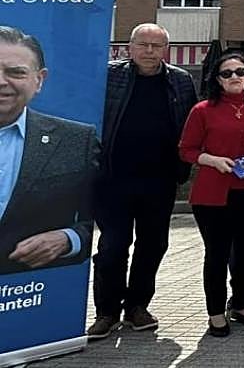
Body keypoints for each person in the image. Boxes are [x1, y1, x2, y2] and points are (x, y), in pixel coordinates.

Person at [90, 23, 197, 339]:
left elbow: (189, 125)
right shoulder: (109, 76)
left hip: (160, 179)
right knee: (112, 246)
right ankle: (106, 311)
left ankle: (137, 306)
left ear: (166, 49)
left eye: (156, 45)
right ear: (130, 47)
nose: (149, 51)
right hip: (113, 178)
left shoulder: (180, 80)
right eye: (143, 44)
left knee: (153, 245)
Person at [178, 51, 244, 337]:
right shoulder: (203, 110)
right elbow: (186, 150)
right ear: (217, 79)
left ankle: (242, 303)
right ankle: (216, 312)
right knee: (217, 254)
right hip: (214, 194)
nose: (235, 77)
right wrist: (212, 160)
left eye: (240, 72)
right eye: (227, 73)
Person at [0, 27, 99, 277]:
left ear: (39, 80)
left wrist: (69, 239)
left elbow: (106, 220)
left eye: (15, 72)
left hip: (30, 291)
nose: (1, 81)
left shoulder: (76, 141)